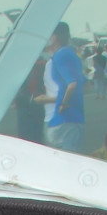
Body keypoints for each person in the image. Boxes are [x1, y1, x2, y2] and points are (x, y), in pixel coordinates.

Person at [35, 21, 86, 151]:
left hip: (62, 119)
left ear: (55, 37)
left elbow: (73, 85)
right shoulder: (68, 55)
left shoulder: (61, 56)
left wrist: (58, 102)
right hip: (64, 119)